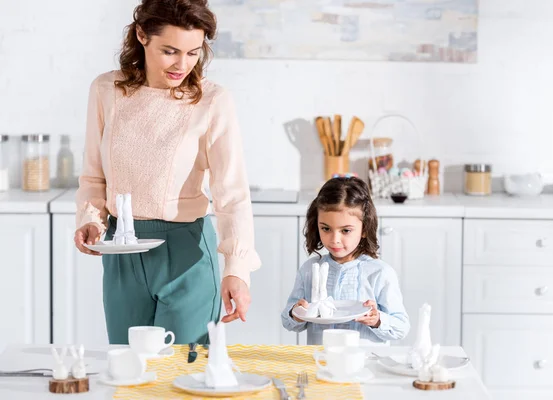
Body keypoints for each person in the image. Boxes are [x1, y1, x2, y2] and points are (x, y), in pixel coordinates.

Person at [73, 0, 261, 345]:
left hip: (186, 253)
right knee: (130, 371)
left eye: (193, 52)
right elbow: (93, 177)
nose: (182, 64)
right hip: (122, 253)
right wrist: (90, 219)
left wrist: (237, 269)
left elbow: (231, 195)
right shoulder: (106, 91)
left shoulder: (212, 101)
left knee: (183, 378)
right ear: (142, 35)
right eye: (170, 51)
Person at [281, 177, 410, 344]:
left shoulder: (380, 273)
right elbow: (288, 322)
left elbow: (401, 327)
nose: (335, 239)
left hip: (365, 363)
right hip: (322, 361)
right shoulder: (309, 270)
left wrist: (377, 319)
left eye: (346, 230)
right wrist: (297, 313)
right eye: (326, 228)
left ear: (364, 228)